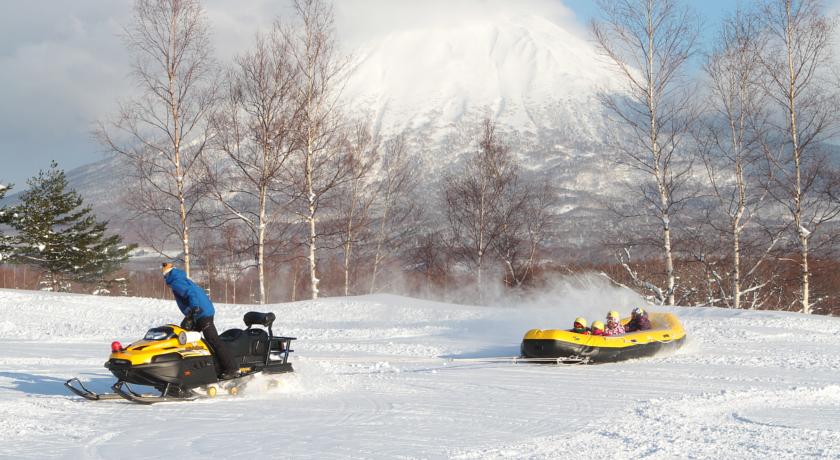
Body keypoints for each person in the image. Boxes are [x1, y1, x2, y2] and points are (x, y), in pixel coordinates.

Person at [161, 262, 239, 379]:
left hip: (201, 313)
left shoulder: (176, 281)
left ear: (167, 275)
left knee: (212, 339)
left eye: (164, 275)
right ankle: (201, 368)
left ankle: (232, 369)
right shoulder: (179, 278)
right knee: (188, 338)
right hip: (197, 312)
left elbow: (191, 293)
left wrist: (194, 307)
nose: (164, 278)